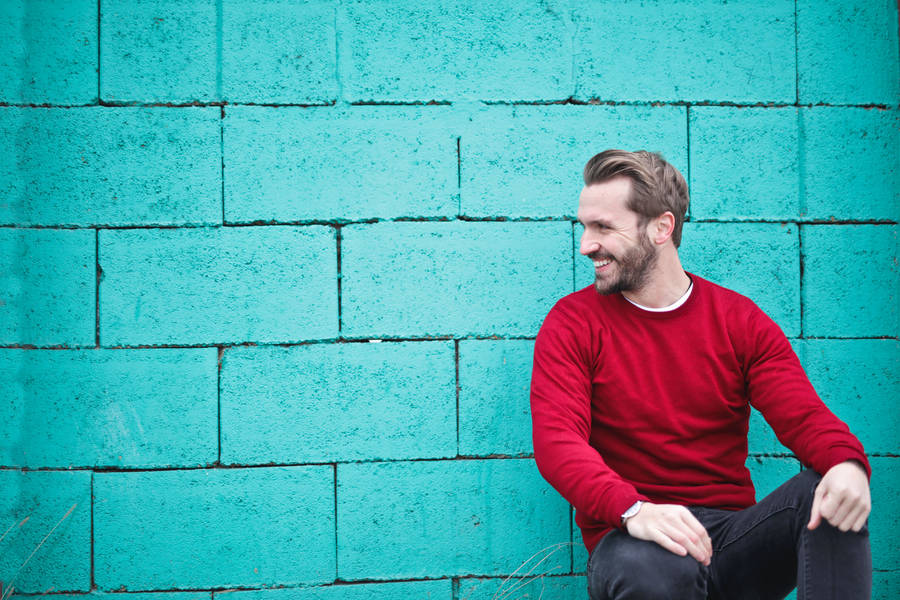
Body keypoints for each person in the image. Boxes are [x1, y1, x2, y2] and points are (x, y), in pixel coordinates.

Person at [529, 149, 872, 599]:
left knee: (828, 494)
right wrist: (635, 510)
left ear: (661, 228)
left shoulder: (738, 320)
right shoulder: (573, 323)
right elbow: (558, 443)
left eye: (603, 228)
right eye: (585, 227)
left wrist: (847, 464)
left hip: (729, 541)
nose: (586, 244)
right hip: (633, 540)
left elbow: (803, 415)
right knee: (648, 568)